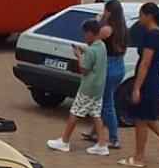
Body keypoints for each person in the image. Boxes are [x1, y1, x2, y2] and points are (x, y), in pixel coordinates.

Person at [119, 2, 159, 168]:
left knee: (142, 117)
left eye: (141, 15)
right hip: (155, 76)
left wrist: (136, 87)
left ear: (149, 16)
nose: (139, 19)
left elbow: (145, 62)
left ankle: (139, 157)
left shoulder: (152, 36)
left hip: (149, 77)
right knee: (148, 117)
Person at [47, 19, 111, 156]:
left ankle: (64, 141)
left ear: (89, 33)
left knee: (75, 111)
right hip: (99, 87)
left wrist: (79, 56)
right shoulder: (102, 46)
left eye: (85, 34)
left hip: (88, 87)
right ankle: (102, 143)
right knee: (95, 113)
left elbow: (84, 69)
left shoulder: (90, 51)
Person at [85, 0, 128, 150]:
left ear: (109, 12)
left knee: (107, 103)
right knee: (103, 100)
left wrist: (98, 21)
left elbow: (93, 40)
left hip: (109, 66)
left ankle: (114, 138)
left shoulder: (108, 29)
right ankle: (94, 130)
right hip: (119, 65)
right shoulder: (123, 29)